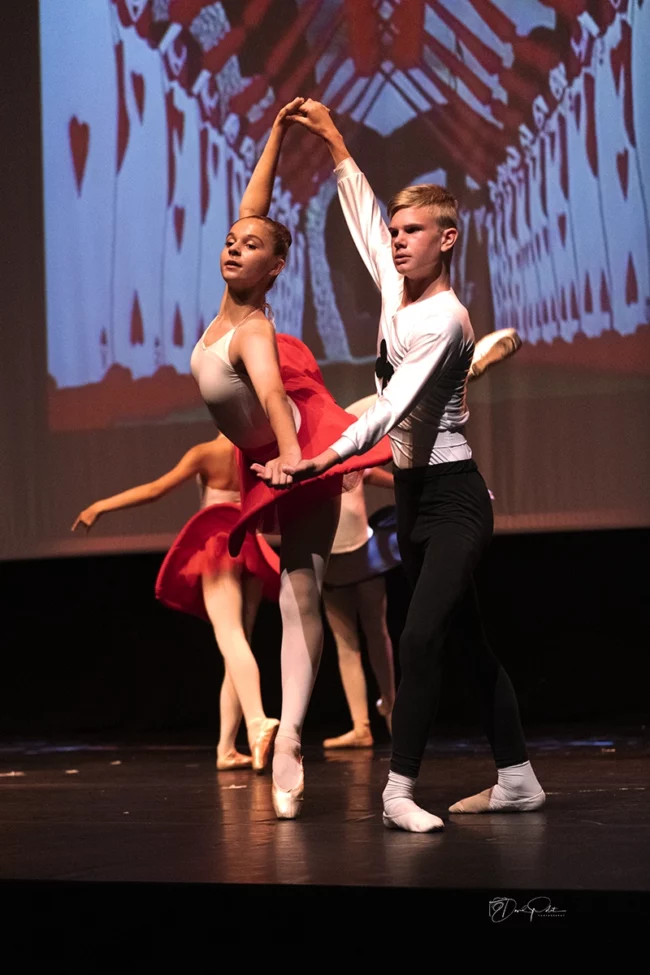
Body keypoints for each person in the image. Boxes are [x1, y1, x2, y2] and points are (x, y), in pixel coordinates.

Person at [268, 99, 544, 832]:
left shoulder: (448, 319)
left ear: (447, 238)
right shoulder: (397, 289)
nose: (395, 242)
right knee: (466, 638)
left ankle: (396, 792)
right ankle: (518, 778)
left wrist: (321, 457)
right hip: (416, 498)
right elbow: (360, 214)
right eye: (395, 232)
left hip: (455, 499)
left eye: (412, 231)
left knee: (419, 637)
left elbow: (389, 412)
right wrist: (331, 139)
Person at [186, 98, 392, 818]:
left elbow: (275, 402)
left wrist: (292, 460)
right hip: (269, 456)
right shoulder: (229, 302)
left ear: (276, 269)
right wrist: (272, 132)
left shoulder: (253, 333)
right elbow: (256, 208)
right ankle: (289, 732)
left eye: (251, 247)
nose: (234, 247)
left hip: (294, 451)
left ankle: (290, 738)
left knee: (298, 600)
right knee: (294, 601)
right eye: (230, 241)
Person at [72, 434, 281, 772]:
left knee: (231, 639)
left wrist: (100, 505)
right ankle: (226, 748)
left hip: (218, 546)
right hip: (250, 546)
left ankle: (256, 722)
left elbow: (156, 489)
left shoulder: (207, 453)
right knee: (239, 645)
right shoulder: (256, 449)